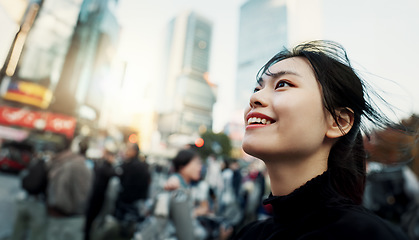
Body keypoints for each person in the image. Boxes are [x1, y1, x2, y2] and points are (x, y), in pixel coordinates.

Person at [234, 40, 409, 240]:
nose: (254, 99)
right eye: (257, 88)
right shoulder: (249, 234)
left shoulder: (368, 235)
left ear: (339, 122)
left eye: (283, 84)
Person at [46, 137, 93, 240]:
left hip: (58, 213)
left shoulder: (63, 163)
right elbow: (83, 195)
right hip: (72, 216)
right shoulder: (83, 166)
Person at [113, 143, 151, 239]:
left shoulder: (130, 165)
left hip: (128, 205)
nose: (126, 151)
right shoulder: (143, 166)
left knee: (123, 232)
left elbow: (126, 185)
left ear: (134, 151)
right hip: (136, 204)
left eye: (128, 149)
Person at [84, 144, 118, 240]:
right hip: (96, 196)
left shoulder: (103, 165)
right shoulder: (103, 166)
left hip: (98, 196)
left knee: (91, 219)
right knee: (91, 218)